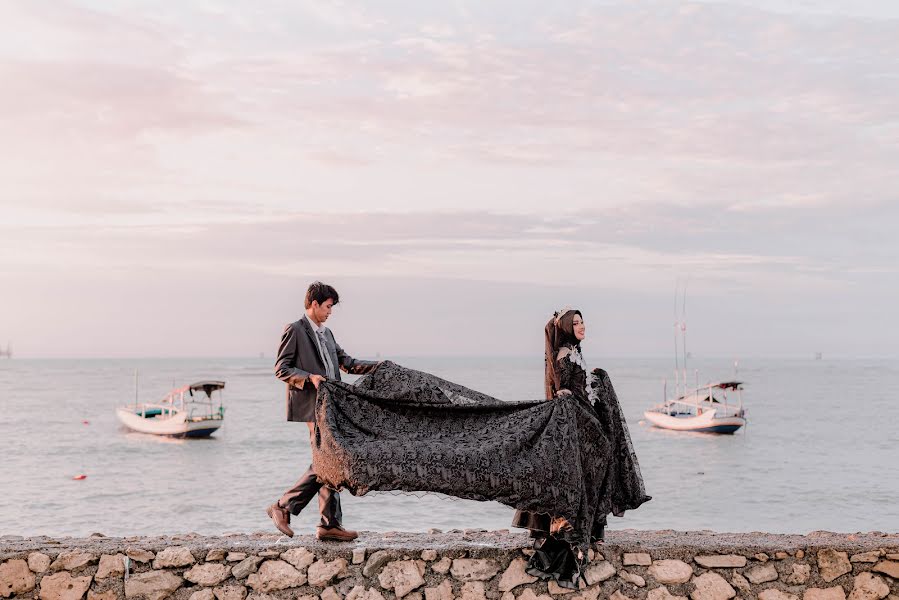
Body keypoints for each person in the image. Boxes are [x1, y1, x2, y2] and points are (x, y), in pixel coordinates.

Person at [512, 308, 650, 588]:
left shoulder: (574, 351)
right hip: (579, 429)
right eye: (575, 323)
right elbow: (563, 393)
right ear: (564, 327)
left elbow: (580, 389)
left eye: (582, 320)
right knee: (592, 471)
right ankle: (580, 531)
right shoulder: (564, 354)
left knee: (597, 472)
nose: (582, 325)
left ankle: (594, 529)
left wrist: (597, 381)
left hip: (586, 425)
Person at [266, 281, 379, 541]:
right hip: (314, 407)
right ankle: (283, 507)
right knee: (329, 459)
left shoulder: (327, 334)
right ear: (314, 304)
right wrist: (309, 378)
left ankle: (329, 524)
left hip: (333, 406)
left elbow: (347, 363)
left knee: (331, 460)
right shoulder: (294, 330)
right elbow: (281, 368)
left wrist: (379, 367)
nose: (330, 312)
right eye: (328, 306)